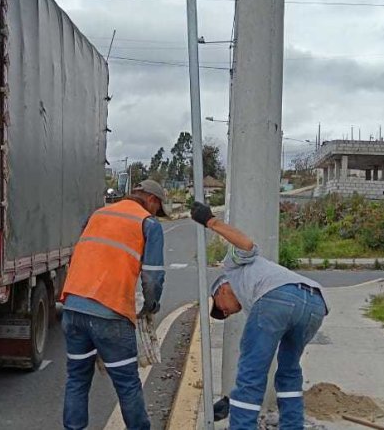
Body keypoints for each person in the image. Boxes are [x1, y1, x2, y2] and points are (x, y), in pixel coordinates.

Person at [190, 202, 329, 430]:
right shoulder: (254, 291)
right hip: (315, 302)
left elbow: (246, 244)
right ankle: (292, 426)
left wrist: (210, 221)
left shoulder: (231, 269)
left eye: (220, 308)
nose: (225, 312)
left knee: (251, 373)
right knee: (289, 370)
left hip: (278, 297)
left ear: (221, 289)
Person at [58, 179, 168, 430]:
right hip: (110, 313)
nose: (156, 214)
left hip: (73, 306)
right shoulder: (148, 223)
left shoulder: (98, 214)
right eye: (157, 208)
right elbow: (152, 277)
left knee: (76, 378)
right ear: (152, 200)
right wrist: (150, 306)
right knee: (127, 383)